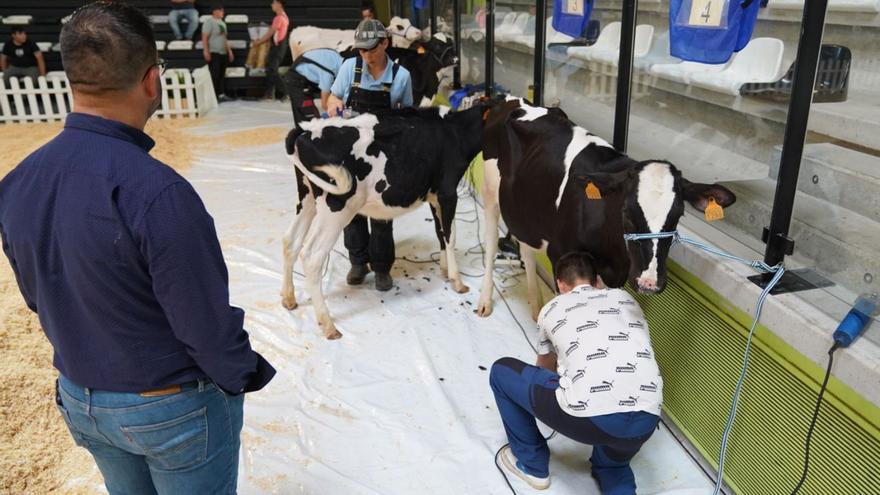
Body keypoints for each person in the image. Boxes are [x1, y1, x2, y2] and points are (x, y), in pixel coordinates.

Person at [0, 3, 275, 494]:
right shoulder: (158, 192)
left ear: (71, 79)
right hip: (166, 404)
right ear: (152, 80)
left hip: (80, 396)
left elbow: (39, 295)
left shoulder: (19, 181)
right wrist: (240, 373)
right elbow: (204, 324)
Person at [489, 252, 663, 494]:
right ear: (597, 281)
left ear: (560, 283)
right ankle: (614, 473)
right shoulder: (625, 299)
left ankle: (532, 464)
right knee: (614, 465)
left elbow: (544, 371)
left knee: (502, 371)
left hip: (592, 420)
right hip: (645, 421)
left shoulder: (552, 308)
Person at [325, 19, 413, 291]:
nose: (365, 55)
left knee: (381, 212)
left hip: (384, 156)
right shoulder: (350, 67)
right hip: (352, 152)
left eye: (371, 49)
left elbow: (408, 117)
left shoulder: (401, 76)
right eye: (361, 50)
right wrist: (334, 103)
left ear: (385, 43)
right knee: (353, 209)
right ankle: (358, 262)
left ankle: (382, 267)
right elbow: (331, 99)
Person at [283, 47, 343, 126]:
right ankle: (303, 136)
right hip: (295, 80)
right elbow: (325, 104)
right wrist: (340, 117)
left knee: (311, 119)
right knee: (309, 119)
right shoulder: (329, 73)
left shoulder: (337, 57)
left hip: (306, 79)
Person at [251, 0, 290, 100]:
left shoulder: (279, 18)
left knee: (272, 70)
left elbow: (270, 33)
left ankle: (287, 92)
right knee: (270, 70)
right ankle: (269, 94)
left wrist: (258, 42)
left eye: (274, 3)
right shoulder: (285, 16)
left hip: (278, 47)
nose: (271, 5)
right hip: (279, 46)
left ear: (279, 4)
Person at [202, 3, 234, 101]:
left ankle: (221, 94)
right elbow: (205, 37)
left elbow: (225, 38)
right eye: (221, 11)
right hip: (214, 52)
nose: (222, 13)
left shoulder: (222, 23)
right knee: (214, 74)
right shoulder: (209, 22)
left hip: (223, 52)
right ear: (215, 11)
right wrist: (206, 51)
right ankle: (213, 96)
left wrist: (229, 51)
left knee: (221, 74)